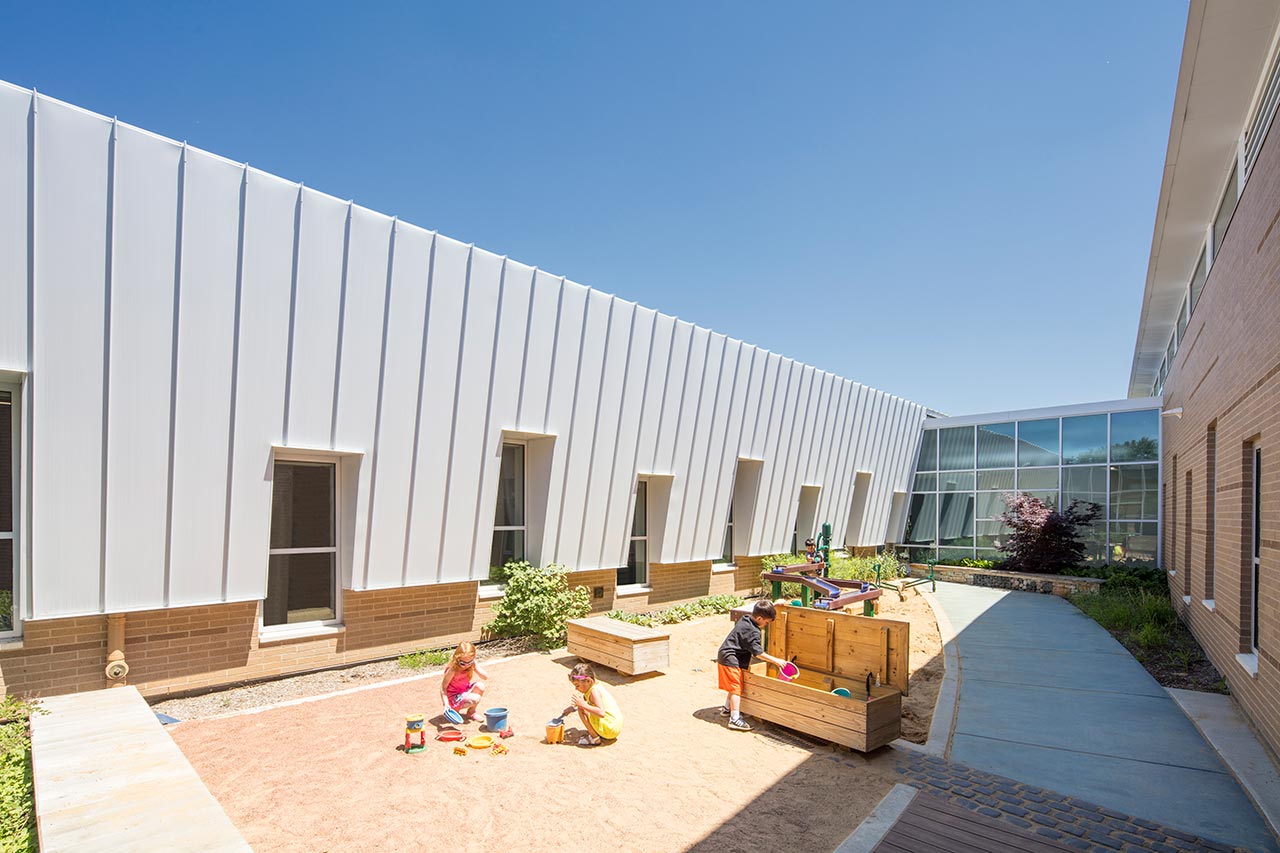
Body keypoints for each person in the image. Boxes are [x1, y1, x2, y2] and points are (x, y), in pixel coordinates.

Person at [717, 600, 789, 731]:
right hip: (730, 658)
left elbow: (760, 610)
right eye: (766, 622)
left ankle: (727, 709)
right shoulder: (752, 631)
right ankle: (734, 719)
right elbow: (758, 653)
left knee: (735, 684)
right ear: (760, 618)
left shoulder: (746, 618)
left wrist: (774, 605)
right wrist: (776, 661)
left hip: (729, 656)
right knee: (736, 688)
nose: (766, 625)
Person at [561, 662, 622, 746]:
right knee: (582, 706)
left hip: (609, 729)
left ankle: (595, 739)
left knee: (581, 709)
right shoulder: (595, 687)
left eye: (577, 685)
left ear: (588, 681)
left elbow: (601, 713)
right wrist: (572, 708)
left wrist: (583, 705)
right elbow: (585, 701)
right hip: (614, 727)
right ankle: (597, 733)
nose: (576, 688)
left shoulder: (594, 692)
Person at [440, 641, 489, 722]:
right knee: (475, 698)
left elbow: (485, 677)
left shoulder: (472, 664)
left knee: (480, 686)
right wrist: (446, 704)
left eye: (469, 662)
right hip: (453, 697)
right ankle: (454, 710)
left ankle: (471, 712)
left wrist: (474, 666)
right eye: (463, 663)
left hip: (463, 691)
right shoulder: (452, 669)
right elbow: (443, 688)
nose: (466, 665)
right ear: (457, 659)